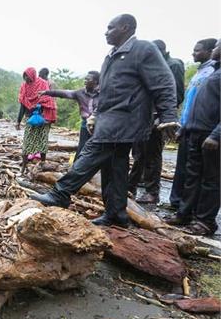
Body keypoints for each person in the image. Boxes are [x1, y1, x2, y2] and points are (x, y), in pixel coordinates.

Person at [31, 14, 178, 227]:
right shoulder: (111, 57)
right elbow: (108, 93)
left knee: (91, 153)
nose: (106, 32)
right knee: (114, 166)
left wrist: (169, 116)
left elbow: (164, 83)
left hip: (125, 120)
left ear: (125, 28)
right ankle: (116, 214)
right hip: (110, 118)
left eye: (110, 28)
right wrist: (96, 115)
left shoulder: (143, 50)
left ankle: (60, 193)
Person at [169, 39, 220, 235]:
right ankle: (185, 214)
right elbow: (198, 105)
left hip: (212, 135)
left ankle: (205, 222)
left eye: (217, 46)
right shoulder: (213, 72)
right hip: (196, 131)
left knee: (211, 180)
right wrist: (185, 127)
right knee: (192, 177)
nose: (215, 48)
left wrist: (216, 135)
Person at [128, 40, 185, 203]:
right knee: (138, 154)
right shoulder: (150, 66)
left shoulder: (173, 65)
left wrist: (164, 117)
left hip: (157, 118)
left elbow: (176, 94)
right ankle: (130, 186)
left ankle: (152, 192)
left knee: (152, 155)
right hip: (143, 116)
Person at [38, 71, 99, 161]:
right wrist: (47, 92)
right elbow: (64, 93)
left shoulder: (103, 94)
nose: (85, 80)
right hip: (85, 124)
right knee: (82, 147)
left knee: (98, 148)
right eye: (85, 78)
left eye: (88, 79)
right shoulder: (80, 93)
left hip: (99, 125)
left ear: (96, 82)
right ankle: (75, 169)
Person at [16, 67, 57, 170]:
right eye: (24, 77)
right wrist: (18, 121)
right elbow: (22, 105)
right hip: (30, 118)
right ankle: (24, 167)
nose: (26, 79)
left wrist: (40, 109)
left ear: (33, 76)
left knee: (42, 142)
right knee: (27, 142)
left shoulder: (43, 84)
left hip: (43, 119)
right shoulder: (24, 87)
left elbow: (49, 100)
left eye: (28, 77)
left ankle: (42, 165)